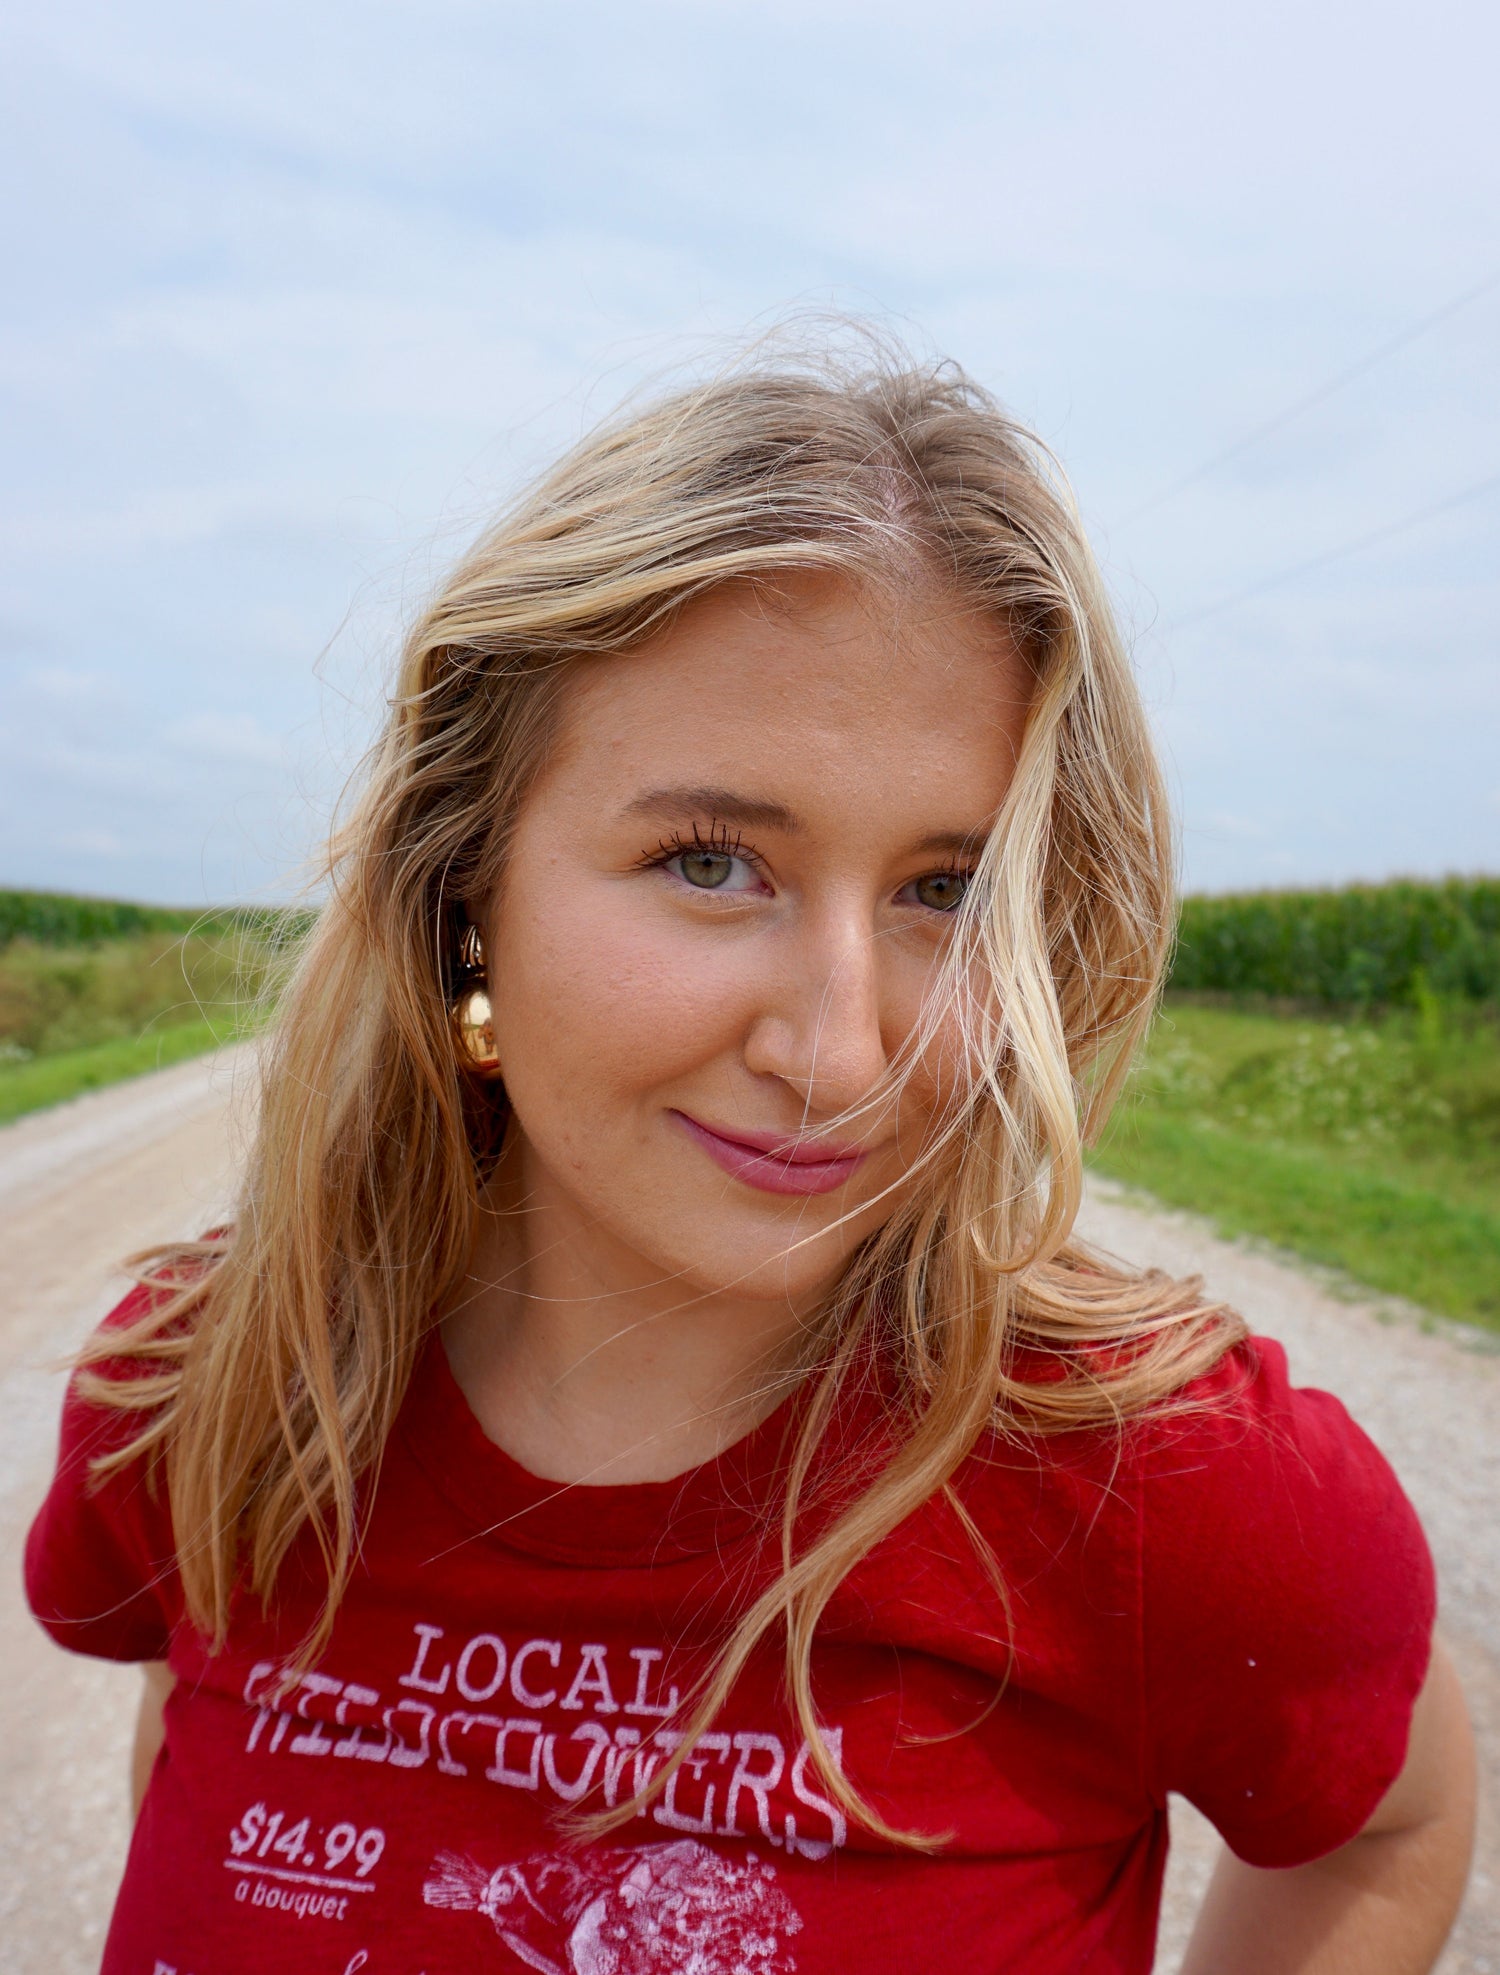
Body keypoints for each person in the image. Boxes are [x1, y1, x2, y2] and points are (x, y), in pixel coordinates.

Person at [26, 338, 1474, 1975]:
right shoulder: (219, 1384)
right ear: (464, 887)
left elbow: (1389, 1822)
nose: (845, 1051)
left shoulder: (1168, 1486)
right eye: (712, 862)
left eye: (949, 891)